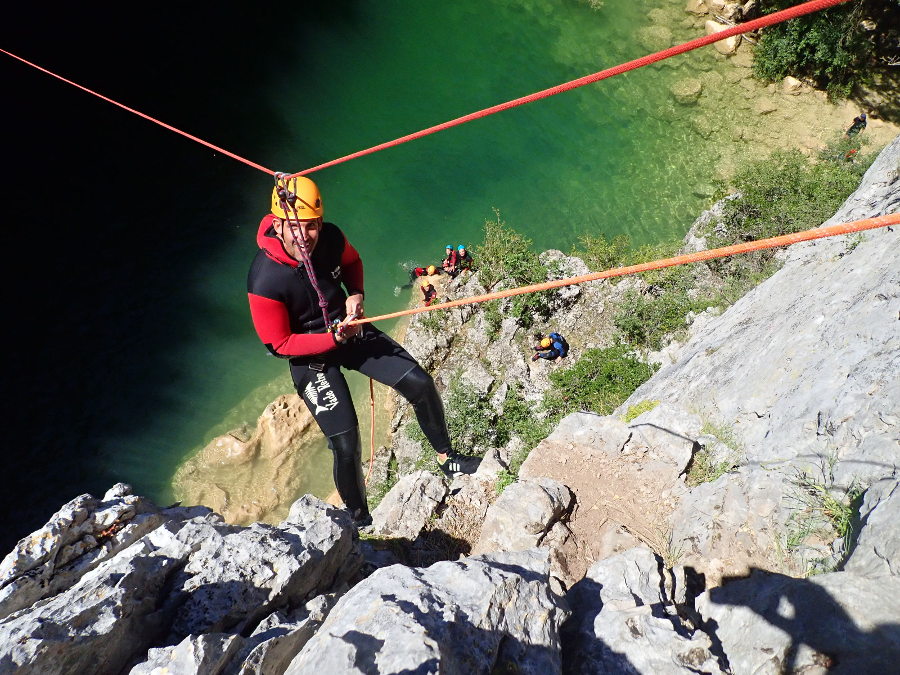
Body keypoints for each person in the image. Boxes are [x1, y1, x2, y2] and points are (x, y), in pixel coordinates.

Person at [247, 176, 481, 525]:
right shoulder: (264, 279)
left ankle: (448, 458)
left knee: (419, 383)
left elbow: (352, 262)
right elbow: (279, 344)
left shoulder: (331, 238)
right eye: (296, 227)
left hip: (348, 329)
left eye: (312, 226)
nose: (305, 236)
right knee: (346, 445)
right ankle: (359, 520)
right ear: (278, 224)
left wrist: (356, 293)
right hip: (311, 358)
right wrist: (333, 340)